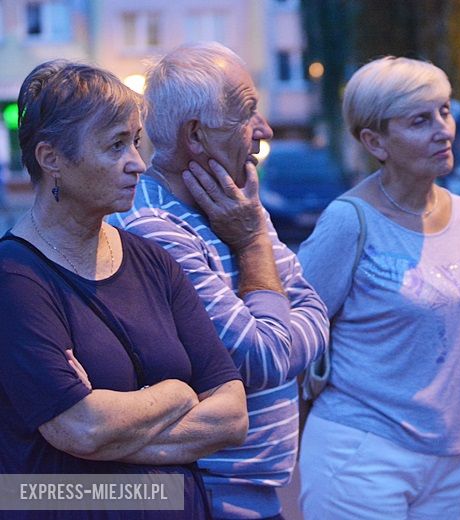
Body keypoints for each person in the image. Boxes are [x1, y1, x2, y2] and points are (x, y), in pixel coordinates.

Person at [0, 60, 247, 518]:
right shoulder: (15, 278)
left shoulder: (153, 261)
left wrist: (115, 432)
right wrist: (176, 392)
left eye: (135, 141)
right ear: (51, 159)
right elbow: (83, 429)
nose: (137, 163)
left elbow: (232, 417)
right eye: (115, 146)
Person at [109, 42, 328, 520]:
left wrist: (283, 329)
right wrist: (251, 247)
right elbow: (264, 359)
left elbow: (317, 311)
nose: (264, 130)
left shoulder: (238, 203)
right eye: (248, 112)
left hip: (249, 493)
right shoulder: (154, 229)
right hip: (197, 496)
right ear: (196, 135)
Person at [296, 56, 460, 519]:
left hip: (456, 457)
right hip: (362, 452)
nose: (443, 129)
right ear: (374, 141)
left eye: (444, 110)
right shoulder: (349, 220)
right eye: (420, 120)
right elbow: (293, 331)